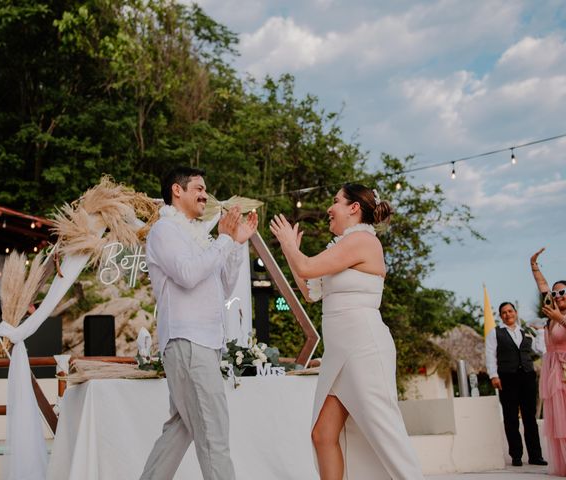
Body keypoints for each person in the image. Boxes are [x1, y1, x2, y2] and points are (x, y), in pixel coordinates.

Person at [270, 183, 423, 480]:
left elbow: (306, 268)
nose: (330, 208)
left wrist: (290, 246)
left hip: (364, 348)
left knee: (385, 433)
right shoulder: (343, 246)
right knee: (322, 434)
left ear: (354, 208)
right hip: (340, 355)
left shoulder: (364, 240)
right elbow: (309, 291)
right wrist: (292, 251)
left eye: (336, 201)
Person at [139, 166, 258, 480]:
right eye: (199, 188)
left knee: (180, 431)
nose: (205, 195)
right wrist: (222, 239)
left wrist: (235, 242)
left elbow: (224, 286)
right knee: (213, 434)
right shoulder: (165, 231)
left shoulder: (197, 236)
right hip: (188, 342)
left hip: (202, 344)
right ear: (177, 191)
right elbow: (188, 275)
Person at [485, 301, 547, 467]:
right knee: (511, 418)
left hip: (527, 376)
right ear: (501, 316)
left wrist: (540, 332)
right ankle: (516, 456)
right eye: (504, 312)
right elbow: (490, 355)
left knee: (530, 418)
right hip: (507, 377)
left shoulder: (526, 331)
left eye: (510, 311)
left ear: (515, 312)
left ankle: (535, 456)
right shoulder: (495, 333)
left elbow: (540, 349)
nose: (508, 314)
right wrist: (493, 375)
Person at [531, 247, 566, 476]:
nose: (558, 296)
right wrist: (534, 265)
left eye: (562, 292)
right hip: (553, 371)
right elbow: (543, 288)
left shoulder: (558, 316)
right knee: (559, 422)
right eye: (555, 294)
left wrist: (560, 319)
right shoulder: (551, 312)